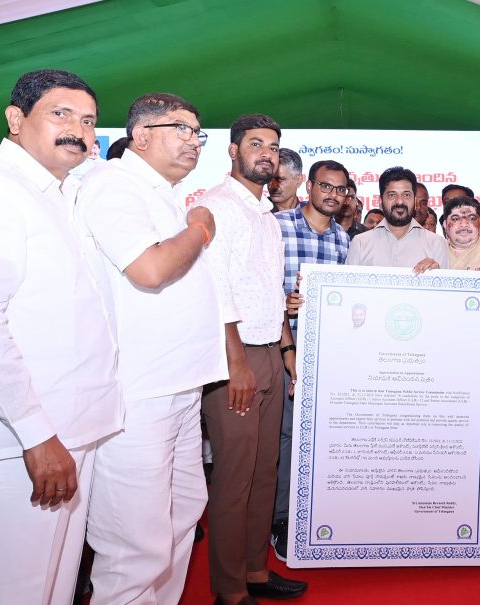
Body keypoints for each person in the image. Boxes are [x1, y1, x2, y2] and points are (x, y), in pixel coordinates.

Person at [0, 69, 123, 605]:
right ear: (15, 118)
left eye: (88, 120)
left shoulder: (62, 193)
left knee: (51, 588)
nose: (77, 129)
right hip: (21, 443)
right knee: (5, 590)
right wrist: (36, 435)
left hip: (70, 432)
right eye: (61, 114)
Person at [76, 92, 223, 604]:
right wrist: (201, 229)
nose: (193, 141)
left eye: (198, 134)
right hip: (138, 394)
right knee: (134, 545)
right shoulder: (112, 184)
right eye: (179, 129)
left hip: (180, 386)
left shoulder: (161, 194)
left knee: (182, 517)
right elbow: (151, 269)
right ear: (140, 135)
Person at [194, 113, 306, 604]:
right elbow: (215, 294)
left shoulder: (268, 216)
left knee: (265, 471)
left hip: (267, 354)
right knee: (235, 478)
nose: (266, 153)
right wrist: (235, 364)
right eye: (255, 143)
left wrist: (286, 351)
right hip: (232, 360)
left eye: (273, 146)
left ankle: (256, 572)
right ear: (233, 151)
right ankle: (229, 590)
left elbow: (273, 294)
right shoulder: (218, 207)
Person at [271, 158, 350, 561]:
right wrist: (281, 306)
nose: (333, 195)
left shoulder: (343, 241)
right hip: (282, 351)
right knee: (285, 439)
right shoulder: (278, 226)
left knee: (318, 438)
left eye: (340, 189)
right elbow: (260, 288)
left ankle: (313, 511)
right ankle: (281, 519)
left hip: (327, 357)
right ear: (309, 186)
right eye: (326, 187)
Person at [345, 166, 448, 271]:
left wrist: (436, 274)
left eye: (406, 195)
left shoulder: (436, 244)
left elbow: (444, 287)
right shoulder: (360, 243)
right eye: (391, 195)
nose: (400, 202)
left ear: (414, 199)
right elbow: (348, 286)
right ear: (380, 201)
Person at [441, 196, 480, 270]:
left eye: (472, 218)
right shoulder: (436, 250)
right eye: (455, 219)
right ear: (445, 225)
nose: (464, 224)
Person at [268, 148, 304, 212]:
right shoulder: (255, 211)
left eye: (280, 179)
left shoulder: (311, 215)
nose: (272, 185)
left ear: (298, 180)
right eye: (269, 178)